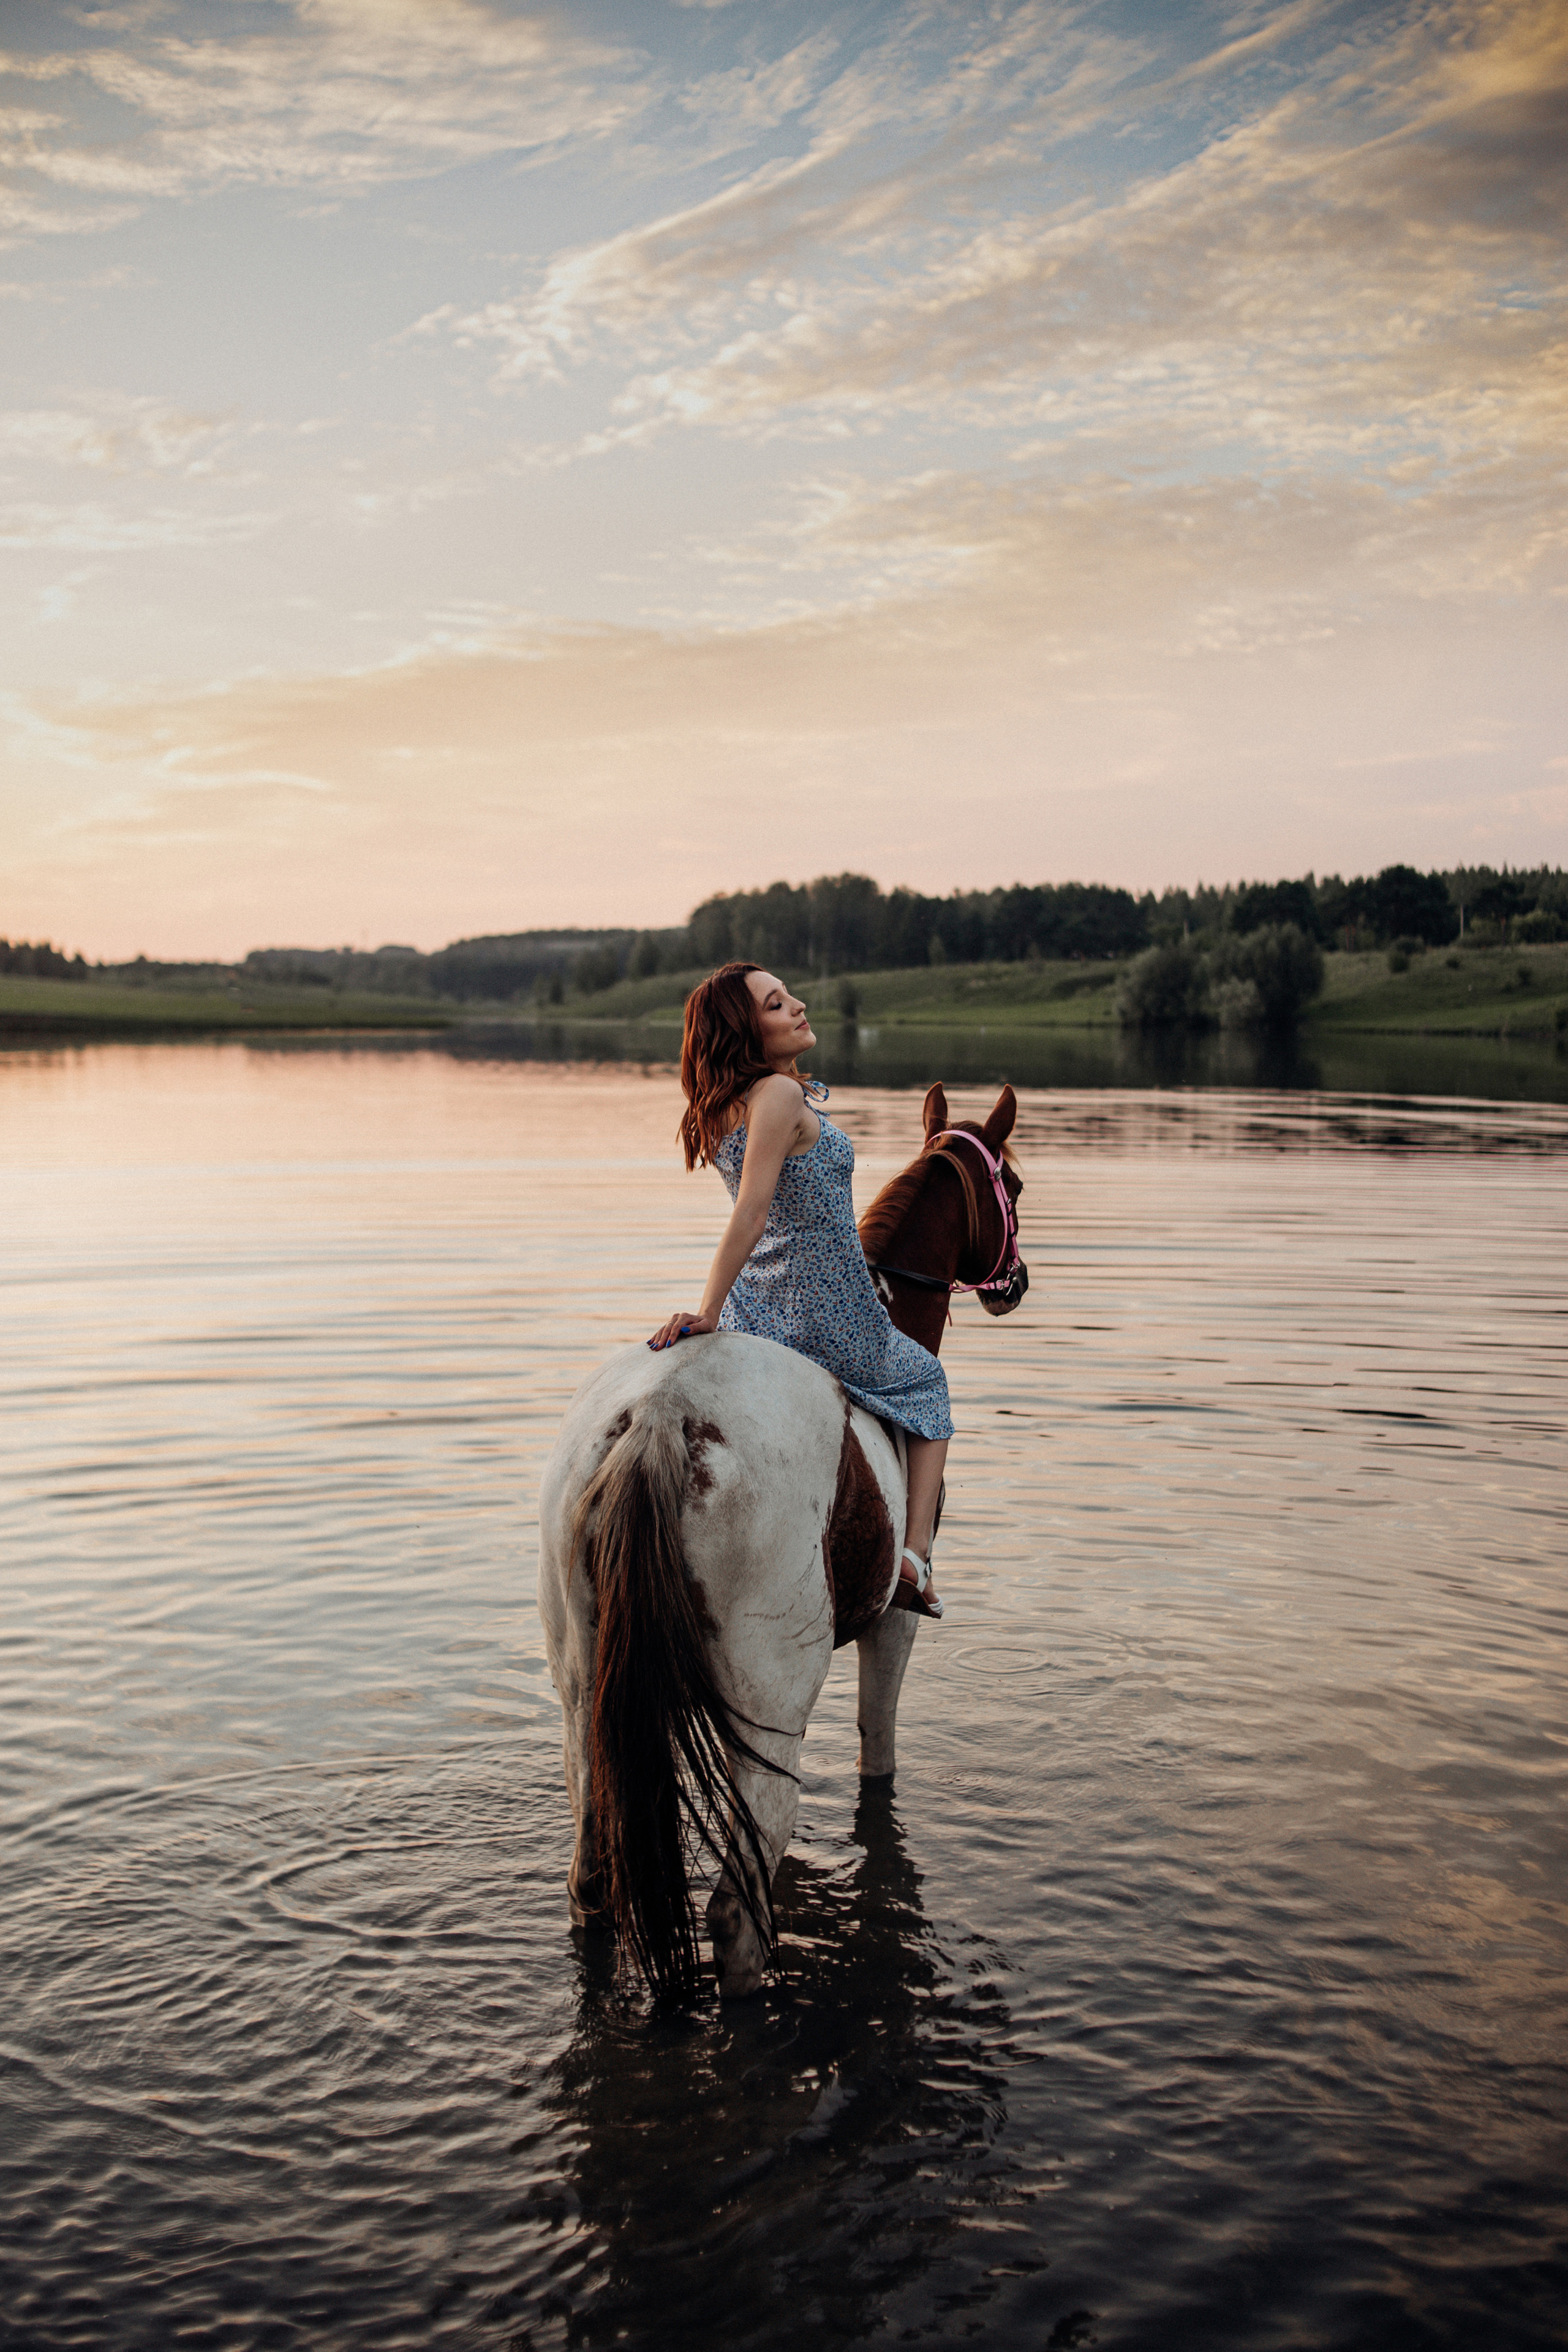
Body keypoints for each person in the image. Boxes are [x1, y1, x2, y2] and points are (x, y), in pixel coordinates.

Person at [649, 961, 950, 1617]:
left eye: (789, 997)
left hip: (755, 1311)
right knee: (927, 1382)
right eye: (777, 1005)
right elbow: (752, 1213)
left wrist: (721, 1314)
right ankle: (915, 1557)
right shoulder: (780, 1097)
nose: (799, 1006)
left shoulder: (720, 1108)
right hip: (825, 1314)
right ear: (746, 1031)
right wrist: (704, 1310)